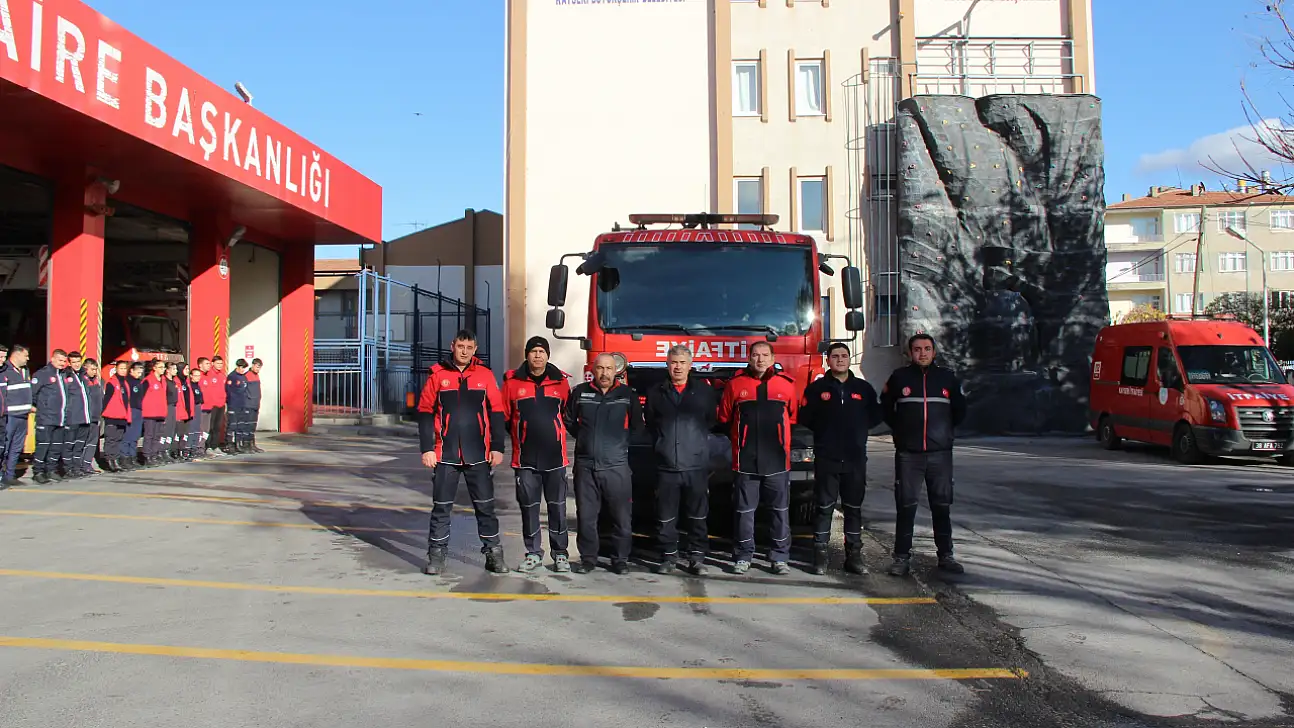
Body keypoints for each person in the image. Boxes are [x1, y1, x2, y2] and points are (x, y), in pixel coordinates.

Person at [417, 329, 509, 575]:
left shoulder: (485, 375)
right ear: (452, 346)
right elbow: (425, 412)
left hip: (478, 453)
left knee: (485, 508)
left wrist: (498, 447)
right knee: (441, 508)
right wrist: (427, 448)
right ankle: (436, 556)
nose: (464, 352)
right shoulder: (438, 375)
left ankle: (494, 554)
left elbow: (497, 412)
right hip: (445, 454)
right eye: (460, 347)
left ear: (475, 350)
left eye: (469, 348)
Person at [881, 333, 968, 576]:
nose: (922, 353)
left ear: (934, 352)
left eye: (927, 349)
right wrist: (901, 431)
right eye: (917, 349)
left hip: (940, 455)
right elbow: (886, 408)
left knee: (941, 505)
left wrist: (943, 433)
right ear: (910, 353)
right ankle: (901, 558)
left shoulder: (947, 378)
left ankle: (946, 555)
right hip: (909, 455)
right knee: (906, 506)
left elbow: (960, 411)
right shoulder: (899, 378)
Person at [798, 343, 883, 575]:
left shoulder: (863, 389)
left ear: (848, 359)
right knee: (824, 507)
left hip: (855, 459)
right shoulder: (817, 389)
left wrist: (857, 431)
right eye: (835, 356)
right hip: (827, 458)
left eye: (844, 356)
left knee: (853, 508)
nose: (840, 360)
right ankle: (820, 557)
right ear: (828, 360)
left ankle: (854, 557)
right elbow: (805, 417)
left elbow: (875, 416)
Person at [718, 341, 798, 575]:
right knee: (744, 512)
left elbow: (792, 417)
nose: (760, 360)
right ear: (749, 358)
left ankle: (779, 557)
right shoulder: (735, 385)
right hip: (745, 462)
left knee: (780, 512)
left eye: (765, 355)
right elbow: (724, 417)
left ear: (772, 358)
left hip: (777, 462)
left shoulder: (786, 385)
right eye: (755, 355)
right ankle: (743, 556)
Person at [564, 352, 644, 574]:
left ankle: (620, 560)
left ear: (616, 371)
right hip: (586, 466)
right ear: (593, 371)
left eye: (609, 368)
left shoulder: (627, 394)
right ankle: (588, 559)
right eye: (600, 368)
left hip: (616, 466)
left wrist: (621, 443)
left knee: (621, 517)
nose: (605, 373)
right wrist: (584, 437)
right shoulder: (580, 392)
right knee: (587, 516)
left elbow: (638, 426)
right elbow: (569, 419)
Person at [501, 336, 573, 573]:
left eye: (542, 351)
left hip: (555, 459)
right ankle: (533, 553)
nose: (538, 356)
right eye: (533, 351)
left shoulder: (561, 383)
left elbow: (567, 414)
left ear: (548, 355)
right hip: (525, 461)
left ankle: (560, 554)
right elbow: (504, 417)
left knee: (557, 508)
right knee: (529, 509)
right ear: (527, 355)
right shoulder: (512, 383)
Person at [645, 344, 717, 576]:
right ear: (667, 364)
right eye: (673, 362)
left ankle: (697, 557)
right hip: (667, 465)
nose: (677, 367)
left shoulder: (704, 392)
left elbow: (711, 421)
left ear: (690, 365)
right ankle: (668, 557)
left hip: (695, 465)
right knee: (666, 516)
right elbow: (651, 423)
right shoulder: (656, 392)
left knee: (697, 515)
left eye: (682, 362)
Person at [31, 349, 71, 484]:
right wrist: (41, 408)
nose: (62, 363)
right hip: (46, 418)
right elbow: (33, 394)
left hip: (60, 419)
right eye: (60, 360)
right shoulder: (42, 374)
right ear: (52, 359)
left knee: (56, 446)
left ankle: (51, 470)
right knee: (43, 445)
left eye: (64, 361)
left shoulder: (63, 375)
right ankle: (38, 471)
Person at [0, 345, 31, 487]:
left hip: (23, 416)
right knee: (4, 447)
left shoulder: (25, 371)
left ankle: (10, 475)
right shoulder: (5, 370)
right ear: (17, 355)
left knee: (16, 448)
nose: (28, 358)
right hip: (10, 416)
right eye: (25, 356)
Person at [101, 361, 133, 472]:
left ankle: (115, 459)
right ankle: (110, 460)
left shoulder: (125, 383)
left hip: (122, 416)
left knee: (118, 439)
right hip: (112, 415)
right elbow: (107, 399)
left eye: (125, 368)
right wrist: (104, 413)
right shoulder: (112, 383)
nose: (123, 370)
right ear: (116, 369)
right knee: (111, 439)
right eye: (121, 368)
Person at [140, 360, 169, 467]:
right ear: (154, 368)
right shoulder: (147, 380)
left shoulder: (163, 380)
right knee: (149, 435)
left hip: (160, 412)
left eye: (164, 367)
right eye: (161, 367)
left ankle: (154, 455)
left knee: (157, 435)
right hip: (150, 413)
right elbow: (141, 396)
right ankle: (147, 456)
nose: (163, 369)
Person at [79, 359, 104, 476]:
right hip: (86, 417)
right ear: (85, 368)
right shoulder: (82, 381)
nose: (94, 372)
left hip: (96, 417)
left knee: (93, 442)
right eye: (92, 369)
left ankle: (87, 464)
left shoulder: (96, 382)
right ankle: (80, 465)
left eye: (96, 369)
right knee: (83, 442)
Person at [123, 361, 146, 466]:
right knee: (128, 434)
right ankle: (125, 457)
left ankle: (132, 456)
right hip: (131, 409)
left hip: (139, 410)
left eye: (141, 372)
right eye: (138, 372)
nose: (139, 374)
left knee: (135, 435)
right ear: (131, 370)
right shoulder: (127, 381)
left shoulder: (139, 382)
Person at [225, 359, 251, 454]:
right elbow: (229, 392)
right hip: (233, 405)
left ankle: (238, 444)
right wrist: (231, 404)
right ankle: (229, 445)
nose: (243, 370)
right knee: (232, 425)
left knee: (240, 425)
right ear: (238, 366)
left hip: (242, 404)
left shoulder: (243, 377)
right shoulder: (232, 377)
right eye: (242, 368)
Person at [205, 356, 229, 452]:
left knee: (217, 427)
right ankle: (208, 446)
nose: (220, 365)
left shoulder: (222, 376)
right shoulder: (209, 375)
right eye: (218, 363)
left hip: (221, 405)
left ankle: (215, 446)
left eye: (221, 363)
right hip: (212, 405)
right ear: (212, 363)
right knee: (210, 427)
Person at [183, 366, 206, 459]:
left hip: (198, 407)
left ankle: (194, 448)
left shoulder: (197, 385)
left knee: (197, 428)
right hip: (192, 408)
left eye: (199, 376)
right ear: (191, 376)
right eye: (195, 376)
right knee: (191, 429)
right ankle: (187, 448)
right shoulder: (189, 385)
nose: (198, 377)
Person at [246, 358, 265, 453]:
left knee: (253, 425)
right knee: (247, 426)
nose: (258, 369)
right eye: (257, 367)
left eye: (259, 368)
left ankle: (252, 444)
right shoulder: (247, 376)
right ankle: (246, 444)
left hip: (255, 405)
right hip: (249, 405)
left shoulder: (256, 376)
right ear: (253, 365)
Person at [164, 362, 180, 460]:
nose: (176, 371)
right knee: (167, 430)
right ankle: (164, 450)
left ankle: (169, 450)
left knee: (172, 430)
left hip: (174, 406)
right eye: (173, 369)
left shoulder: (174, 382)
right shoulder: (165, 382)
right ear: (168, 370)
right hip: (167, 407)